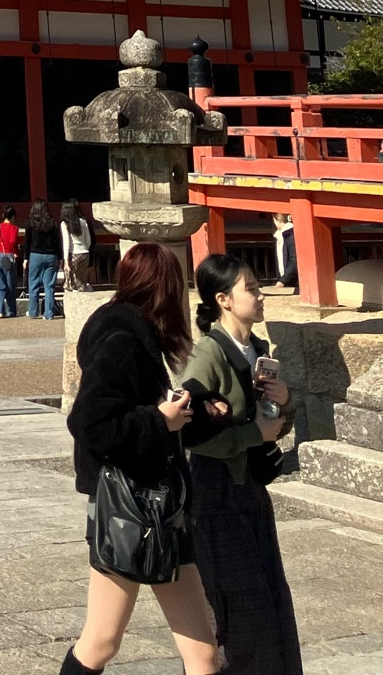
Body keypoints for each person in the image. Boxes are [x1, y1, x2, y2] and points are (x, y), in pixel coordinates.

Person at [63, 242, 219, 675]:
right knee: (101, 642)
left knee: (202, 652)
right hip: (130, 509)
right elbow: (89, 422)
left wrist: (202, 409)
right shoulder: (121, 340)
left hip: (162, 509)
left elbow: (156, 415)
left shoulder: (141, 336)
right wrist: (157, 421)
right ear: (164, 288)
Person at [181, 255, 301, 675]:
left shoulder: (259, 350)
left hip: (252, 489)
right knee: (236, 605)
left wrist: (285, 401)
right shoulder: (209, 353)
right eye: (250, 287)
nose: (261, 292)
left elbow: (275, 423)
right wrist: (254, 435)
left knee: (270, 597)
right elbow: (191, 433)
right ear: (223, 300)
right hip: (216, 494)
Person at [24, 200, 61, 320]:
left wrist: (25, 258)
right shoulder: (53, 223)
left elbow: (27, 242)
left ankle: (33, 312)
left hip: (35, 255)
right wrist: (60, 257)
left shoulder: (30, 224)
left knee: (33, 284)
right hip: (51, 255)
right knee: (49, 286)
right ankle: (49, 313)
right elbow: (57, 242)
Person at [62, 200, 95, 291]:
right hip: (85, 254)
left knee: (72, 283)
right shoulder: (83, 221)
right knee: (82, 280)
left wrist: (65, 260)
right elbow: (88, 240)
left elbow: (66, 243)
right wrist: (85, 248)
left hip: (73, 254)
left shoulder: (65, 224)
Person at [272, 215, 298, 292]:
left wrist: (283, 280)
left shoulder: (291, 235)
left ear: (275, 220)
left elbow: (295, 261)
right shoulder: (281, 235)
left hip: (295, 282)